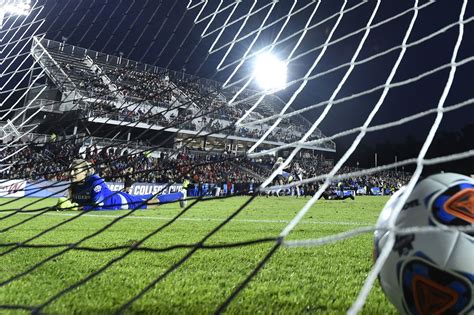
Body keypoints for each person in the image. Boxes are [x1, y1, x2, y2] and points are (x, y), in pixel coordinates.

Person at [59, 159, 187, 211]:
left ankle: (181, 194)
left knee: (153, 202)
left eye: (75, 170)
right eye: (70, 170)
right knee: (149, 197)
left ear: (85, 171)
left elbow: (98, 206)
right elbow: (73, 203)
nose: (71, 174)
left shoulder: (94, 181)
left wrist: (75, 208)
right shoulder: (74, 186)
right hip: (117, 199)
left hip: (122, 201)